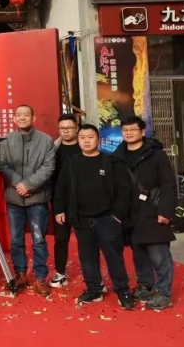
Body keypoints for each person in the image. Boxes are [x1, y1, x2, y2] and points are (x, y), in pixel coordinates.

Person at [53, 125, 134, 309]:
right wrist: (59, 209)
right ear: (78, 140)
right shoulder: (72, 162)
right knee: (87, 257)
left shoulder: (110, 162)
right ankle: (94, 289)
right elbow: (61, 187)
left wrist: (117, 215)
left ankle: (122, 291)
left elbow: (124, 190)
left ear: (98, 139)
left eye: (90, 137)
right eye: (82, 137)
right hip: (82, 220)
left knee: (114, 257)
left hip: (108, 219)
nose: (86, 141)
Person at [113, 116, 177, 311]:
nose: (129, 133)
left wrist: (165, 210)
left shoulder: (156, 154)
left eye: (133, 129)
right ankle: (145, 286)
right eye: (125, 130)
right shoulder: (118, 156)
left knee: (159, 254)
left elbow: (168, 184)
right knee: (139, 253)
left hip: (153, 210)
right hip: (130, 213)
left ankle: (164, 293)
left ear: (142, 132)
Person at [0, 104, 56, 297]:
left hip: (37, 198)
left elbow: (48, 167)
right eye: (19, 115)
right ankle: (20, 274)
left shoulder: (46, 141)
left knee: (39, 240)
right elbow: (2, 165)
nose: (22, 118)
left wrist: (29, 185)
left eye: (26, 115)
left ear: (33, 118)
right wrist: (19, 184)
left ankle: (40, 277)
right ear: (14, 118)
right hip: (14, 199)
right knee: (16, 240)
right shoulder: (5, 141)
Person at [50, 113, 81, 289]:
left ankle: (93, 275)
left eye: (69, 128)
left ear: (77, 128)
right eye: (62, 128)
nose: (66, 131)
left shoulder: (85, 146)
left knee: (88, 239)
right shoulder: (53, 150)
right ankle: (60, 272)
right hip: (60, 200)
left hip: (84, 201)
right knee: (61, 238)